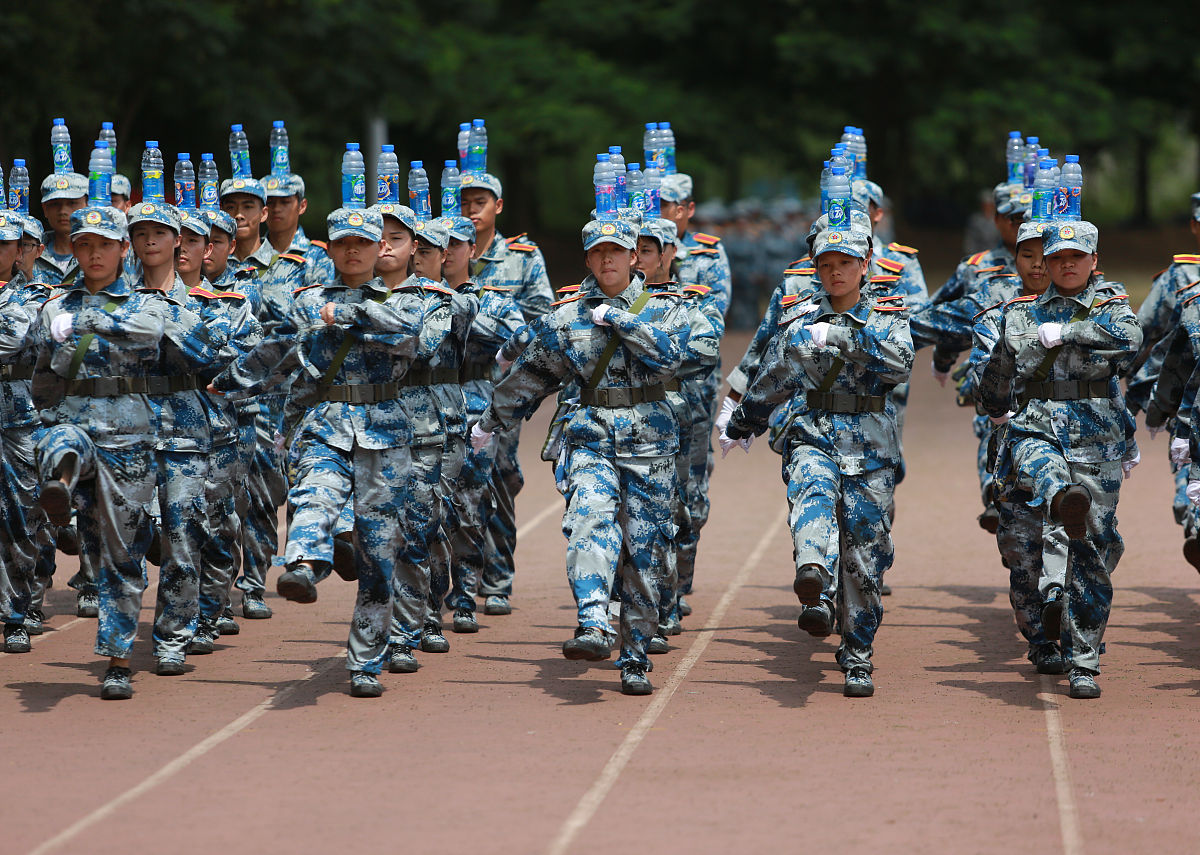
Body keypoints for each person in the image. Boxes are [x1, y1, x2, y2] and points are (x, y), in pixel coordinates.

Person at [211, 206, 428, 697]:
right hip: (325, 422)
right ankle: (303, 564)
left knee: (378, 551)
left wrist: (348, 314)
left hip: (385, 430)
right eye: (342, 243)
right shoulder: (307, 299)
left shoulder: (409, 297)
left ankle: (366, 661)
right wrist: (230, 384)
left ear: (380, 249)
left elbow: (408, 327)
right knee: (314, 494)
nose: (352, 251)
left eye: (363, 243)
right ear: (328, 250)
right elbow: (279, 350)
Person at [475, 218, 690, 695]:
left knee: (645, 550)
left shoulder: (667, 307)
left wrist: (623, 320)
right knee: (590, 519)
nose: (608, 260)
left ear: (635, 257)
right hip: (589, 435)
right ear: (588, 259)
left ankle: (635, 654)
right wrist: (490, 421)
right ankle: (593, 621)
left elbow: (674, 357)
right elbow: (533, 375)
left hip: (650, 444)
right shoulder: (565, 317)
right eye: (599, 253)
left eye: (617, 251)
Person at [722, 225, 913, 698]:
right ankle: (814, 574)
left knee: (866, 557)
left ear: (865, 265)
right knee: (811, 495)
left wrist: (844, 338)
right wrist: (742, 421)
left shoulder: (888, 314)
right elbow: (775, 378)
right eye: (826, 264)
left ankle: (857, 654)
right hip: (813, 434)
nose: (834, 272)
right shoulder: (798, 318)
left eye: (844, 263)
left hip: (871, 449)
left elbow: (900, 363)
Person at [979, 220, 1141, 699]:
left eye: (1076, 256)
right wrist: (996, 412)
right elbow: (997, 375)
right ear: (1045, 264)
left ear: (1094, 261)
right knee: (1043, 470)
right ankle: (1059, 495)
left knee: (1094, 548)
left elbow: (1129, 344)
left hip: (1097, 437)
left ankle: (1084, 660)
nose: (1067, 264)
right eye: (1057, 258)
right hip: (1037, 423)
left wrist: (1071, 332)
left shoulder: (1112, 308)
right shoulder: (1021, 314)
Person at [32, 204, 167, 699]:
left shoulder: (145, 302)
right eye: (83, 244)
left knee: (117, 553)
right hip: (74, 421)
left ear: (122, 250)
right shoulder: (53, 305)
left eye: (103, 245)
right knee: (61, 442)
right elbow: (43, 368)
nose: (92, 254)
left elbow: (148, 334)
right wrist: (44, 417)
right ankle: (61, 484)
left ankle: (117, 657)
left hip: (128, 435)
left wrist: (87, 319)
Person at [125, 200, 234, 675]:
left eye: (160, 232)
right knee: (125, 537)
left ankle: (173, 635)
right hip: (127, 428)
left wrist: (165, 313)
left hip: (188, 430)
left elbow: (213, 353)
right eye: (139, 232)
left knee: (183, 537)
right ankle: (120, 631)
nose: (149, 240)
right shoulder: (113, 297)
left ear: (178, 241)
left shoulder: (212, 303)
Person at [963, 222, 1069, 674]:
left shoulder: (1091, 312)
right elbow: (980, 380)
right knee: (1021, 549)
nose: (1039, 265)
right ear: (1017, 262)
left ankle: (1076, 630)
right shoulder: (997, 317)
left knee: (1078, 534)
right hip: (1016, 445)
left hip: (1079, 444)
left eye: (1048, 256)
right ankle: (1041, 638)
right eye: (1029, 256)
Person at [460, 171, 553, 618]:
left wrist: (507, 351)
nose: (471, 209)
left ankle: (496, 577)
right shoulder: (438, 250)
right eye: (463, 201)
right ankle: (460, 575)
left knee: (498, 478)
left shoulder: (521, 257)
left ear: (498, 205)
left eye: (480, 201)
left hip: (499, 386)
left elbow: (540, 317)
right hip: (447, 385)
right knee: (453, 484)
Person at [635, 217, 722, 639]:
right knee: (635, 513)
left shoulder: (692, 302)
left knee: (681, 510)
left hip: (680, 414)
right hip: (625, 424)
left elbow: (704, 349)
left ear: (670, 253)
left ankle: (670, 594)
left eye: (647, 252)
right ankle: (644, 604)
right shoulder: (601, 300)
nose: (636, 261)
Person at [438, 215, 525, 633]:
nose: (449, 251)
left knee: (471, 507)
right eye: (441, 244)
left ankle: (466, 594)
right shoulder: (417, 295)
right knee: (426, 507)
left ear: (473, 251)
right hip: (425, 406)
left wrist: (463, 319)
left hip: (474, 407)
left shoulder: (493, 299)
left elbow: (519, 338)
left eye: (458, 244)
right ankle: (427, 597)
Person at [0, 213, 43, 653]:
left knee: (19, 517)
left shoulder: (34, 297)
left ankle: (17, 611)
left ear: (18, 250)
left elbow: (11, 340)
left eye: (4, 244)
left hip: (17, 416)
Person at [928, 183, 1026, 306]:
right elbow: (931, 309)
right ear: (996, 220)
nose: (1016, 223)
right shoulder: (975, 268)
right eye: (1009, 216)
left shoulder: (1051, 265)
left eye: (1022, 216)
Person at [33, 172, 88, 284]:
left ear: (88, 205)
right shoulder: (29, 251)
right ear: (45, 209)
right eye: (55, 204)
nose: (63, 211)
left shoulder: (101, 252)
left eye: (72, 203)